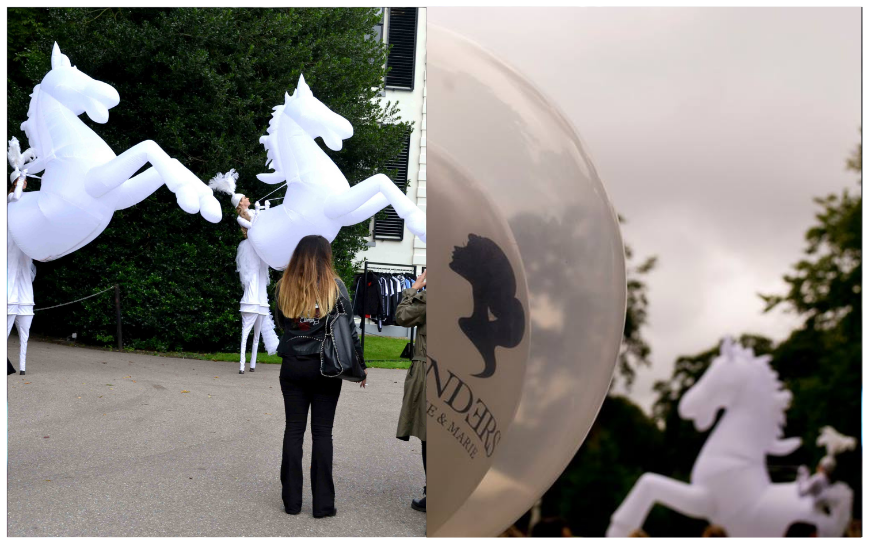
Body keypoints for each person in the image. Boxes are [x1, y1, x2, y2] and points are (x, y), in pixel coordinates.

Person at [274, 235, 366, 517]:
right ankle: (323, 505)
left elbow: (281, 324)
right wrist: (359, 366)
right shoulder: (334, 286)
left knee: (293, 430)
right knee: (322, 433)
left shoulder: (283, 285)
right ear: (326, 256)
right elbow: (348, 328)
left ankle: (292, 502)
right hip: (326, 366)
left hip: (292, 365)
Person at [208, 170, 278, 374]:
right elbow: (255, 228)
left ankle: (253, 362)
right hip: (251, 250)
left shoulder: (253, 212)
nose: (248, 198)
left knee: (261, 276)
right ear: (241, 204)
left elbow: (263, 221)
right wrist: (259, 214)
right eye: (245, 198)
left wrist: (264, 210)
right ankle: (242, 363)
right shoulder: (241, 219)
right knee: (252, 276)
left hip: (259, 249)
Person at [394, 270, 427, 512]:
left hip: (430, 373)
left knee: (430, 436)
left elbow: (402, 316)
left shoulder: (431, 299)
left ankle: (435, 491)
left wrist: (414, 288)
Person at [8, 176, 36, 375]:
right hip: (11, 238)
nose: (24, 183)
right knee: (11, 268)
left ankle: (23, 366)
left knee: (25, 270)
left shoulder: (29, 200)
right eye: (21, 181)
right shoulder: (10, 197)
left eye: (25, 181)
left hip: (25, 241)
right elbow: (16, 196)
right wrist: (21, 177)